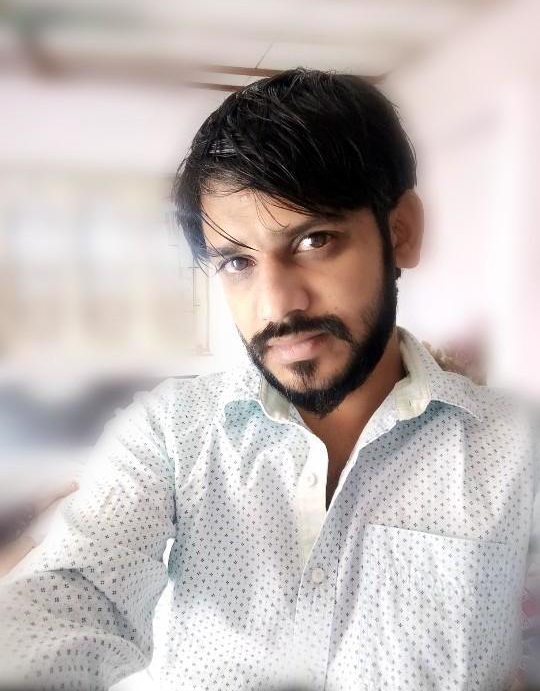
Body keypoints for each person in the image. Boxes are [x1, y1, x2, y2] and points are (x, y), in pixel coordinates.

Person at [0, 68, 537, 691]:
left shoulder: (517, 451)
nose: (277, 303)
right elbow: (75, 593)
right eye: (236, 262)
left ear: (401, 233)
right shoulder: (170, 435)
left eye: (314, 240)